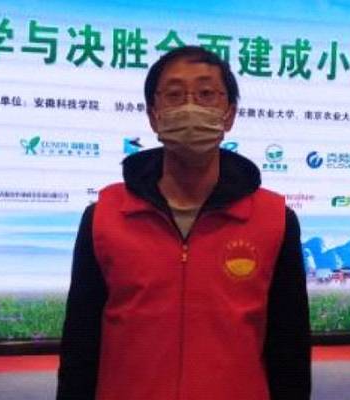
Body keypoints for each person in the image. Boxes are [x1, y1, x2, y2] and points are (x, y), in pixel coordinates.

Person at [57, 45, 311, 400]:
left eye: (206, 94)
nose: (190, 107)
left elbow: (289, 347)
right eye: (174, 95)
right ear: (154, 115)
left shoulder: (275, 220)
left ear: (229, 114)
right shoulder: (103, 218)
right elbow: (81, 344)